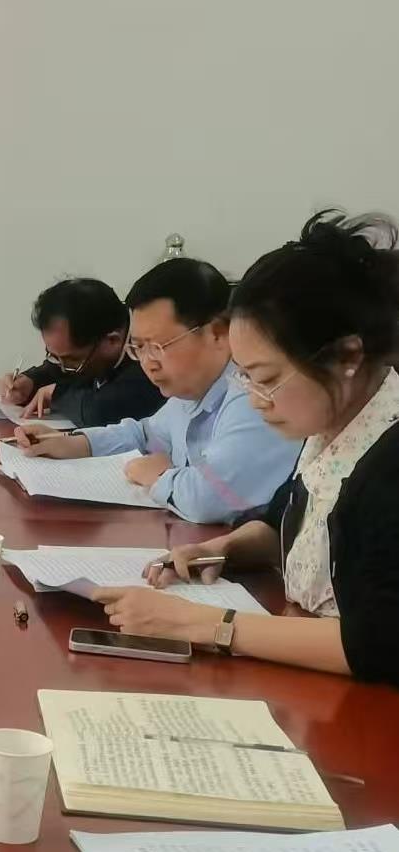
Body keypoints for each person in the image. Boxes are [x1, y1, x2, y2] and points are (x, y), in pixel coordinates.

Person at [93, 211, 399, 686]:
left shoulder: (389, 462)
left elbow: (378, 642)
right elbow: (282, 521)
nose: (255, 400)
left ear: (348, 356)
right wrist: (224, 548)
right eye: (246, 377)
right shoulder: (331, 428)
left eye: (268, 379)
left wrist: (201, 624)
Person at [14, 258, 300, 523]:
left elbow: (207, 500)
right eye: (139, 347)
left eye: (159, 347)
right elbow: (145, 434)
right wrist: (72, 443)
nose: (148, 363)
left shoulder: (253, 397)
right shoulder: (191, 390)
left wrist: (160, 475)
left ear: (217, 333)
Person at [2, 277, 165, 427]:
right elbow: (60, 369)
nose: (63, 368)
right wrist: (31, 381)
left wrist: (56, 395)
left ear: (112, 340)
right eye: (54, 356)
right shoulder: (91, 348)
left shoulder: (148, 355)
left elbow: (99, 411)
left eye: (71, 360)